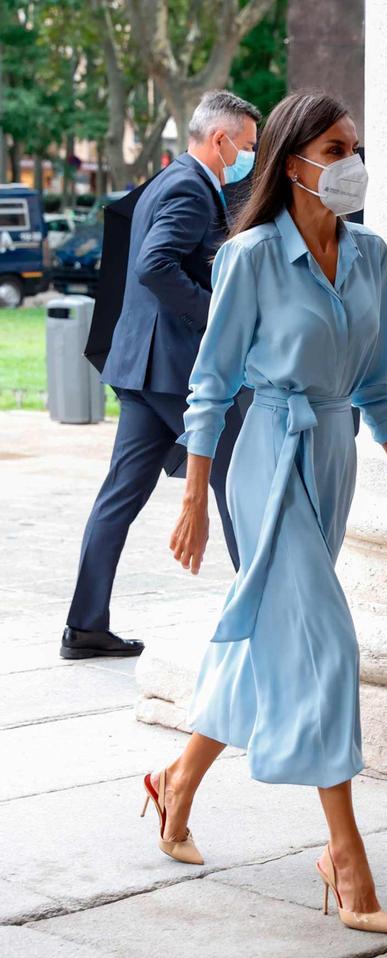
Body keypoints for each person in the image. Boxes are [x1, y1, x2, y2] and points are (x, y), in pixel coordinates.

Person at [140, 92, 387, 935]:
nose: (352, 160)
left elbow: (375, 386)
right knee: (328, 645)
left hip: (334, 454)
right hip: (268, 457)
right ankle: (345, 855)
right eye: (338, 145)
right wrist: (196, 496)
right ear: (295, 156)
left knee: (272, 643)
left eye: (357, 145)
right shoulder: (250, 256)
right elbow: (212, 381)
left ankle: (177, 781)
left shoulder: (373, 256)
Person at [60, 91, 261, 661]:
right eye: (246, 146)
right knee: (234, 479)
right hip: (173, 369)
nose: (247, 156)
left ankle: (85, 626)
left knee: (120, 496)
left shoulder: (171, 181)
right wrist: (215, 310)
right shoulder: (191, 187)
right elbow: (154, 266)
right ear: (220, 139)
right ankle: (267, 616)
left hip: (144, 368)